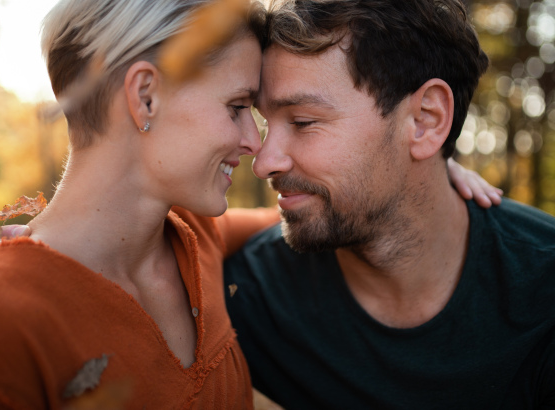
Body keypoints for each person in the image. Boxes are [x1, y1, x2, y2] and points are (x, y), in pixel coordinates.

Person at [223, 0, 555, 409]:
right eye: (264, 123)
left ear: (426, 120)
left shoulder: (544, 292)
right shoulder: (248, 296)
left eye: (303, 122)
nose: (264, 162)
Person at [0, 0, 282, 408]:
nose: (255, 141)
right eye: (236, 108)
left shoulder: (197, 235)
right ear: (145, 96)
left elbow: (291, 221)